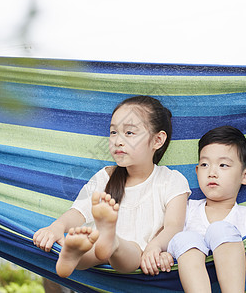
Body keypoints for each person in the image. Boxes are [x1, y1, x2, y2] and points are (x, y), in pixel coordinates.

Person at [33, 96, 191, 278]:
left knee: (128, 250)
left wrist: (154, 248)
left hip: (137, 255)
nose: (117, 141)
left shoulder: (171, 180)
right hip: (97, 246)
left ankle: (111, 242)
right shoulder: (104, 177)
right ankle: (73, 255)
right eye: (113, 132)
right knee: (93, 246)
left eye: (129, 133)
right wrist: (57, 227)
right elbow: (78, 212)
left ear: (157, 140)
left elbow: (174, 226)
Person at [162, 125, 246, 293]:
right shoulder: (186, 209)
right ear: (197, 171)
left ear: (245, 175)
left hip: (234, 278)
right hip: (186, 272)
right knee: (184, 238)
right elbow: (169, 236)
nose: (212, 172)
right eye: (205, 164)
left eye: (223, 165)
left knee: (220, 229)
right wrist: (164, 254)